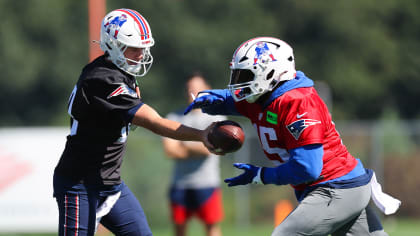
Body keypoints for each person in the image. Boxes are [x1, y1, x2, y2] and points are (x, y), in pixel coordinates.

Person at [184, 37, 401, 236]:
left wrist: (261, 175)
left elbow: (308, 167)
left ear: (270, 73)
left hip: (335, 188)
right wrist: (209, 99)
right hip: (338, 187)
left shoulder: (297, 101)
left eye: (246, 75)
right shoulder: (264, 96)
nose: (239, 82)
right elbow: (233, 99)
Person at [53, 9, 215, 236]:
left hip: (111, 184)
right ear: (113, 45)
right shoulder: (103, 79)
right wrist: (201, 134)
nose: (141, 53)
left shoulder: (119, 71)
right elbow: (155, 122)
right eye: (136, 47)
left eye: (144, 47)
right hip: (79, 183)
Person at [162, 74, 226, 236]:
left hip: (207, 183)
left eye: (198, 88)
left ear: (208, 90)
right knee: (179, 228)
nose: (193, 91)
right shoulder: (174, 117)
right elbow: (170, 151)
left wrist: (183, 143)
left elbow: (211, 149)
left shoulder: (216, 117)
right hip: (180, 184)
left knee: (211, 227)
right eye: (190, 88)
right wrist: (202, 143)